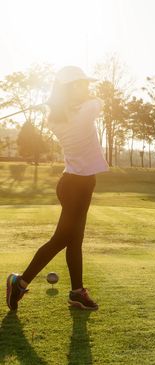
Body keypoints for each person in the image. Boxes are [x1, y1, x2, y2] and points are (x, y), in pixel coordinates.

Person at [6, 66, 109, 311]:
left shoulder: (54, 117)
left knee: (75, 240)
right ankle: (19, 282)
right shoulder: (85, 110)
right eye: (82, 84)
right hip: (76, 186)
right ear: (71, 88)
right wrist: (72, 100)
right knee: (62, 238)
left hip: (76, 183)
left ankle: (76, 292)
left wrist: (58, 102)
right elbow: (99, 102)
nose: (87, 88)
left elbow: (71, 108)